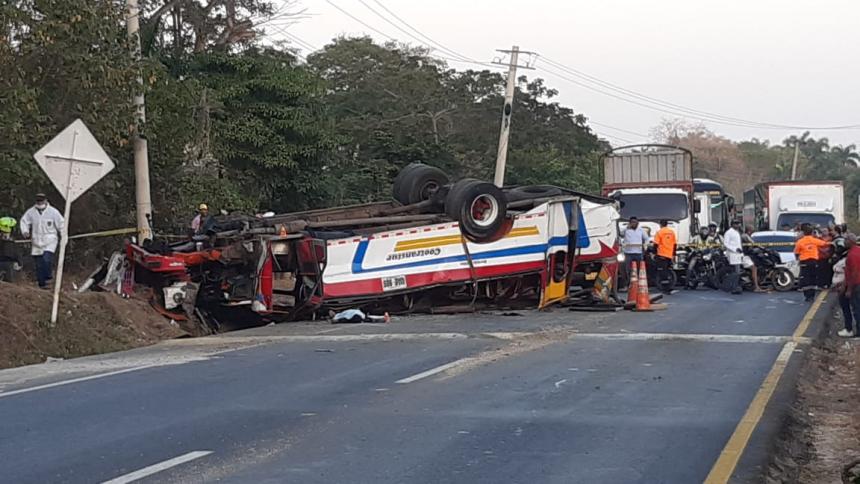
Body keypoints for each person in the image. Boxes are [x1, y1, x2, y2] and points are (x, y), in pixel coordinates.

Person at [20, 193, 64, 289]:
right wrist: (25, 231)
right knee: (39, 264)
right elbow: (24, 221)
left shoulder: (53, 212)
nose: (40, 203)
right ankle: (42, 284)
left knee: (46, 259)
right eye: (38, 201)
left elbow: (61, 224)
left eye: (41, 201)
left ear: (45, 200)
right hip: (36, 241)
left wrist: (63, 236)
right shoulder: (31, 212)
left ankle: (48, 277)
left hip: (50, 240)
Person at [794, 223, 828, 302]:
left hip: (804, 262)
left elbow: (796, 252)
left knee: (805, 279)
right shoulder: (814, 240)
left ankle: (807, 296)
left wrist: (798, 260)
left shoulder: (800, 242)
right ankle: (811, 296)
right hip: (814, 262)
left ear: (803, 232)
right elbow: (824, 244)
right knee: (813, 278)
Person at [833, 233, 855, 337]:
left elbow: (851, 273)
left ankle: (849, 329)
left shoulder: (851, 255)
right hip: (847, 285)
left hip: (849, 285)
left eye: (846, 240)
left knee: (851, 308)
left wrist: (847, 288)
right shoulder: (849, 254)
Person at [621, 217, 648, 289]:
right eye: (632, 222)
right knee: (628, 269)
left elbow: (646, 239)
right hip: (628, 253)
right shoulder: (626, 230)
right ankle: (628, 284)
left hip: (638, 252)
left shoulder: (641, 230)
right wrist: (626, 228)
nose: (634, 223)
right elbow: (620, 234)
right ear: (630, 223)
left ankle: (640, 284)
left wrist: (645, 245)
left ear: (638, 223)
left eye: (635, 222)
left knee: (640, 269)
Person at [652, 219, 677, 295]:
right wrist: (673, 254)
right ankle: (669, 285)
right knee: (667, 270)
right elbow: (675, 244)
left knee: (662, 271)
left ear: (660, 224)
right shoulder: (672, 232)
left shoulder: (659, 232)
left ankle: (666, 288)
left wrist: (654, 253)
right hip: (669, 255)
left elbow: (655, 244)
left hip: (662, 254)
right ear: (666, 224)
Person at [843, 234, 860, 337]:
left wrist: (849, 289)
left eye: (846, 240)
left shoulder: (852, 255)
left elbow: (854, 272)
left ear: (851, 241)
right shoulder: (857, 251)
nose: (844, 242)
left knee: (857, 308)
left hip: (856, 284)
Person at [723, 219, 744, 295]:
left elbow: (739, 244)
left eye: (738, 223)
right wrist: (735, 249)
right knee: (736, 272)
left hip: (738, 255)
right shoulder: (728, 233)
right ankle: (733, 287)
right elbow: (726, 244)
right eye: (736, 223)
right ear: (732, 224)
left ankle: (735, 287)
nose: (738, 225)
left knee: (737, 272)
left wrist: (741, 253)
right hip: (732, 254)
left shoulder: (737, 232)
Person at [741, 225, 764, 292]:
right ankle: (756, 287)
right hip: (744, 256)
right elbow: (753, 243)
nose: (753, 232)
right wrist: (761, 247)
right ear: (749, 230)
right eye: (752, 230)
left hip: (747, 255)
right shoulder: (745, 236)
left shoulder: (746, 236)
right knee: (754, 268)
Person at [0, 216, 22, 282]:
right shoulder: (10, 243)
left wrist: (19, 262)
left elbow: (16, 253)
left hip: (8, 263)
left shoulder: (11, 243)